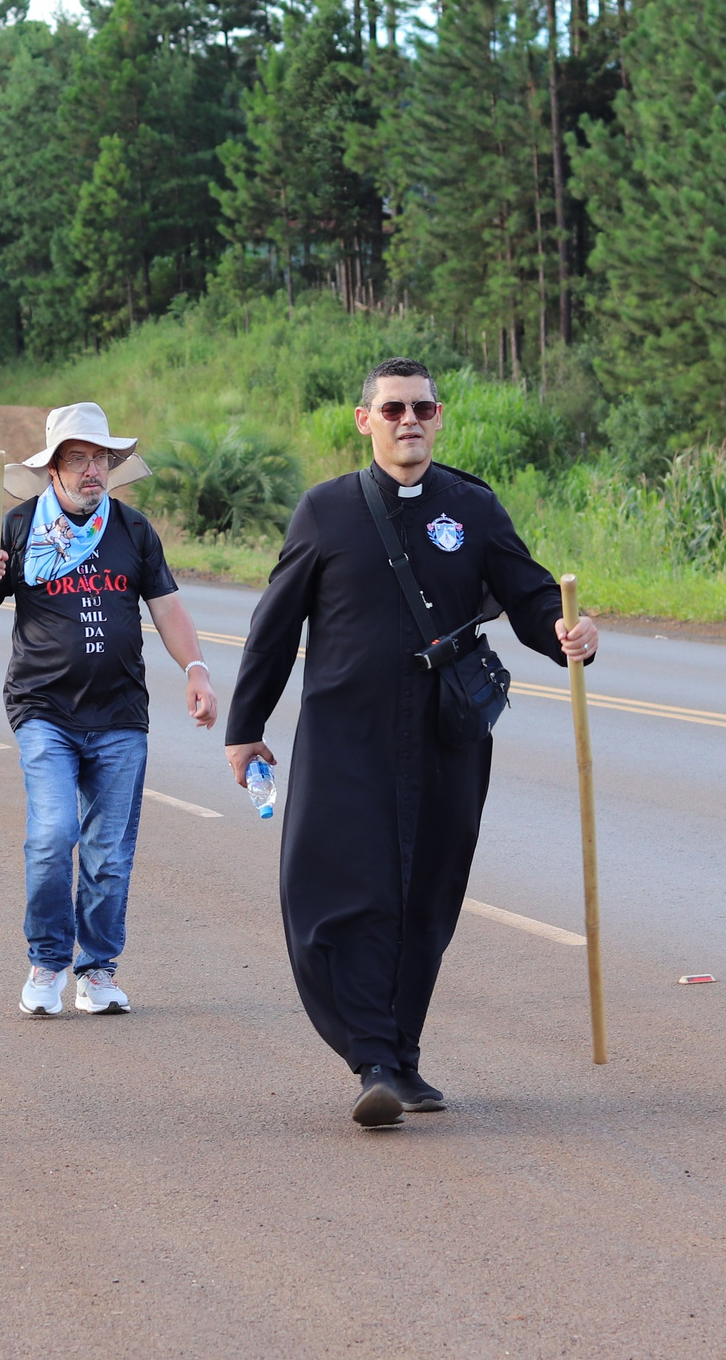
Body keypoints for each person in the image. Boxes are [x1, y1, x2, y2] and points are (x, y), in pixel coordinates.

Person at [225, 357, 598, 1129]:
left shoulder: (473, 507)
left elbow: (530, 598)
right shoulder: (325, 511)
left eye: (422, 409)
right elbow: (275, 625)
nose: (408, 421)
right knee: (339, 892)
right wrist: (246, 727)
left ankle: (402, 1055)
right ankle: (372, 1056)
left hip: (447, 737)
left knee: (426, 896)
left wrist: (569, 633)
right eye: (392, 408)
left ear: (439, 418)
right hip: (344, 740)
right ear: (364, 419)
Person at [0, 403, 216, 1017]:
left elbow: (168, 608)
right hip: (44, 709)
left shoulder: (132, 530)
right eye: (78, 458)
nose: (92, 469)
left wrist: (197, 669)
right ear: (53, 468)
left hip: (121, 714)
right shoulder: (17, 527)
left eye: (100, 458)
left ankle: (96, 970)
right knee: (52, 835)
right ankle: (47, 962)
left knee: (109, 852)